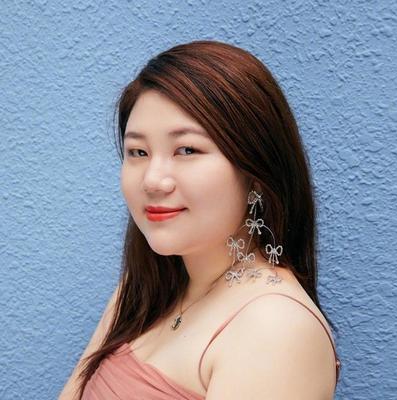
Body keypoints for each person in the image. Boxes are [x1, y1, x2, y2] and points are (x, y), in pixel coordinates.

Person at [59, 39, 341, 400]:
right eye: (138, 152)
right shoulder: (141, 292)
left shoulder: (275, 327)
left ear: (256, 171)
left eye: (187, 150)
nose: (152, 180)